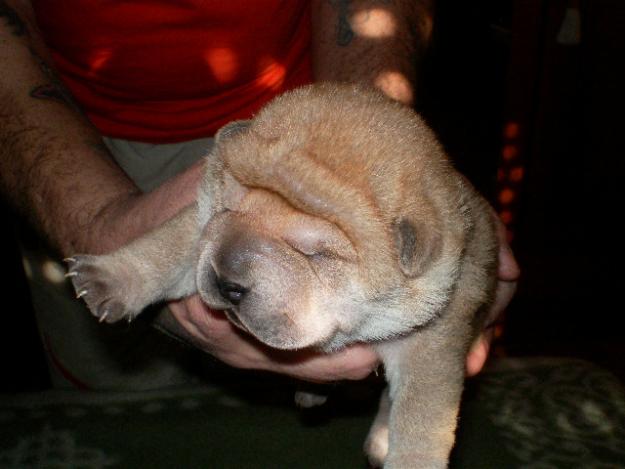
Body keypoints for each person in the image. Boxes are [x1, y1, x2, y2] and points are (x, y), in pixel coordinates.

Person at [0, 0, 519, 389]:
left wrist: (384, 161)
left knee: (327, 381)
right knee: (113, 405)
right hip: (69, 139)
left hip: (287, 134)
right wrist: (96, 224)